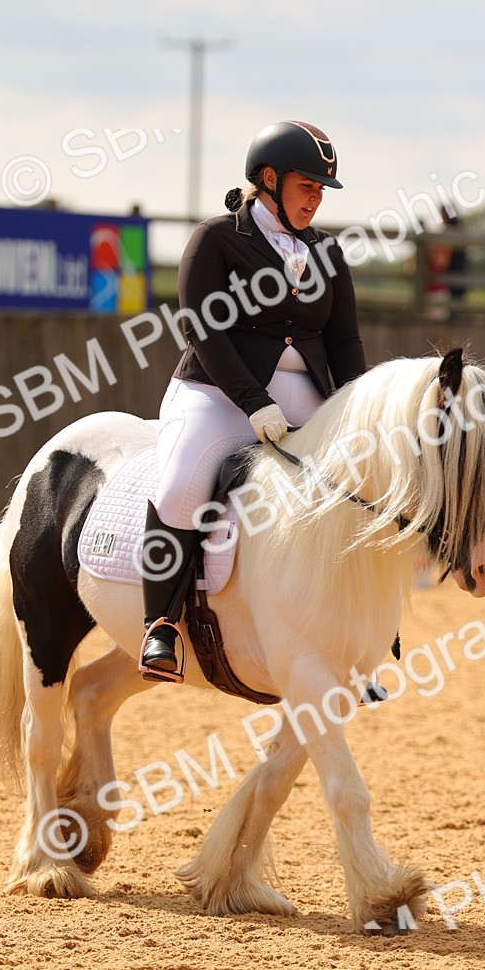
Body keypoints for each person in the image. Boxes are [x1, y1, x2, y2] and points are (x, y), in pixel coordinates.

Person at [139, 120, 367, 679]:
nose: (315, 200)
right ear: (269, 179)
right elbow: (202, 327)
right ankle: (161, 626)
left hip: (307, 395)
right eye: (307, 186)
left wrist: (358, 410)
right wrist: (252, 400)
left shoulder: (327, 253)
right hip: (216, 391)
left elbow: (344, 341)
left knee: (359, 485)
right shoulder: (216, 239)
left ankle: (360, 635)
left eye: (321, 191)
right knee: (181, 488)